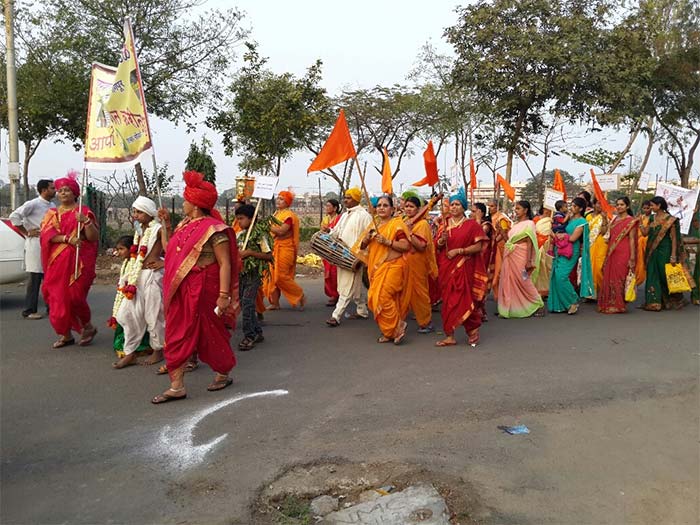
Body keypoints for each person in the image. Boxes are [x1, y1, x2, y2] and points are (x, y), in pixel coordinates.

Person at [152, 170, 239, 404]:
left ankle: (223, 370)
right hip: (182, 287)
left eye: (186, 200)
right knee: (177, 331)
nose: (183, 203)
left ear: (196, 204)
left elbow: (225, 263)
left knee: (210, 330)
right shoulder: (183, 225)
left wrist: (223, 295)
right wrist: (166, 224)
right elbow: (169, 249)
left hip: (205, 287)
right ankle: (177, 385)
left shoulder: (214, 229)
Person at [40, 170, 99, 348]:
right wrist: (67, 239)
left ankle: (87, 327)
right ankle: (65, 334)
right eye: (60, 190)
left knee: (74, 298)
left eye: (67, 189)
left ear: (75, 192)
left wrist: (86, 222)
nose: (63, 193)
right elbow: (47, 235)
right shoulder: (52, 214)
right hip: (57, 262)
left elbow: (93, 238)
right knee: (55, 298)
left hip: (78, 263)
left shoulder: (84, 211)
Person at [110, 197, 166, 369]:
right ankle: (130, 352)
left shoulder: (158, 229)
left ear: (150, 213)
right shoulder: (139, 231)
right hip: (136, 275)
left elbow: (171, 248)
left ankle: (158, 349)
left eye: (139, 212)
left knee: (153, 314)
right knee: (126, 314)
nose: (136, 215)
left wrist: (164, 262)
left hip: (152, 275)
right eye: (134, 212)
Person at [435, 189, 487, 347]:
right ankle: (449, 335)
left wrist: (460, 251)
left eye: (457, 204)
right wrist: (442, 241)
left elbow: (478, 246)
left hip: (465, 265)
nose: (453, 207)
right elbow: (437, 246)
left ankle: (473, 330)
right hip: (446, 266)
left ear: (463, 207)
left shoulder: (471, 225)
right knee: (448, 301)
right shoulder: (443, 225)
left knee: (464, 298)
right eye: (451, 204)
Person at [359, 195, 410, 344]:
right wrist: (367, 239)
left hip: (393, 265)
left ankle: (398, 326)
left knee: (382, 297)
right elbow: (361, 247)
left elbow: (406, 245)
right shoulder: (373, 226)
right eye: (379, 205)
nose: (381, 208)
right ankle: (390, 332)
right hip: (377, 269)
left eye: (385, 205)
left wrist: (387, 242)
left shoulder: (397, 225)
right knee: (374, 299)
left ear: (392, 209)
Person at [326, 188, 373, 327]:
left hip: (355, 257)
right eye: (345, 197)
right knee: (356, 285)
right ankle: (362, 310)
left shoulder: (364, 215)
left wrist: (363, 256)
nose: (345, 200)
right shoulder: (345, 215)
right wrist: (328, 233)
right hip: (342, 255)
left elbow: (369, 236)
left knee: (347, 285)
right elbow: (336, 232)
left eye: (349, 197)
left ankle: (336, 315)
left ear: (356, 199)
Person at [9, 179, 55, 319]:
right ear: (44, 190)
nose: (55, 190)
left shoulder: (52, 205)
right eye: (52, 188)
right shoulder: (33, 204)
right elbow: (14, 217)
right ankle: (29, 310)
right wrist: (27, 232)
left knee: (50, 278)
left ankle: (51, 308)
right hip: (35, 244)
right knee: (35, 278)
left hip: (49, 245)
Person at [235, 204, 272, 351]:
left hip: (253, 274)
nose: (239, 222)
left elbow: (268, 256)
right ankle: (257, 332)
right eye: (237, 219)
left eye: (242, 218)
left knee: (248, 304)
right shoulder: (240, 235)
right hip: (241, 274)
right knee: (245, 305)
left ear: (252, 219)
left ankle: (249, 336)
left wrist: (250, 253)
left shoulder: (259, 235)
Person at [497, 200, 544, 318]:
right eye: (515, 208)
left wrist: (528, 261)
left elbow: (530, 243)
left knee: (524, 279)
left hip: (522, 256)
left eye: (518, 208)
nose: (515, 211)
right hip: (511, 255)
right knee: (510, 280)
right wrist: (502, 231)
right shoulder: (515, 225)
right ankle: (510, 307)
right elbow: (509, 240)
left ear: (526, 210)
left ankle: (538, 305)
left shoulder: (530, 224)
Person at [548, 197, 594, 314]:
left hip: (571, 252)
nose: (571, 208)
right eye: (571, 205)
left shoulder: (582, 222)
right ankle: (561, 304)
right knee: (556, 276)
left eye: (574, 206)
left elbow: (573, 238)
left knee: (561, 277)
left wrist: (562, 236)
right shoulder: (569, 219)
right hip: (561, 249)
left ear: (581, 208)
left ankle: (573, 300)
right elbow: (561, 227)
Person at [110, 236, 152, 362]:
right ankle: (129, 347)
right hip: (125, 294)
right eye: (118, 249)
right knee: (123, 318)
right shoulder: (127, 261)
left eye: (122, 249)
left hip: (134, 294)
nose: (119, 252)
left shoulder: (136, 262)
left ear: (131, 249)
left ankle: (135, 348)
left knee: (127, 318)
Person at [640, 196, 684, 311]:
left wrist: (673, 255)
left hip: (665, 250)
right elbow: (645, 233)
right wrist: (640, 224)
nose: (650, 207)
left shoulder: (670, 219)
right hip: (652, 251)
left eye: (652, 205)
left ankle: (672, 299)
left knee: (664, 275)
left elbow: (674, 239)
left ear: (659, 206)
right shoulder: (651, 218)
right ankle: (654, 302)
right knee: (652, 273)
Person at [264, 190, 305, 310]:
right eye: (278, 198)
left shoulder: (289, 216)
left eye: (281, 199)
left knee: (280, 276)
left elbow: (282, 231)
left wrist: (267, 226)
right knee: (271, 276)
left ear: (287, 202)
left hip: (285, 249)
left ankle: (299, 294)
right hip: (273, 247)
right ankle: (275, 303)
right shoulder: (276, 214)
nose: (278, 200)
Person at [403, 196, 437, 333]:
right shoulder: (404, 221)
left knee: (420, 293)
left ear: (418, 209)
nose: (408, 209)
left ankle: (425, 322)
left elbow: (422, 246)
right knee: (403, 291)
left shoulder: (422, 224)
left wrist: (409, 233)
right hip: (404, 262)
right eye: (406, 206)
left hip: (417, 263)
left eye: (411, 207)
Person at [598, 197, 638, 314]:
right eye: (617, 204)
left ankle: (619, 304)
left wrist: (632, 257)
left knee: (620, 277)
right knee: (610, 276)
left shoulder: (631, 221)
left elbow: (631, 239)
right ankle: (610, 302)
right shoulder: (614, 220)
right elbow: (604, 233)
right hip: (612, 252)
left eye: (622, 205)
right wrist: (604, 219)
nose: (619, 207)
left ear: (627, 207)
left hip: (624, 251)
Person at [487, 198, 511, 304]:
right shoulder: (489, 218)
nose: (489, 208)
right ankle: (498, 298)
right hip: (492, 248)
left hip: (499, 248)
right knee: (492, 273)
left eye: (492, 206)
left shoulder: (501, 218)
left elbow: (503, 232)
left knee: (499, 273)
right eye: (489, 206)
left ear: (497, 207)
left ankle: (502, 299)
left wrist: (494, 242)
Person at [587, 198, 609, 298]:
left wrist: (604, 219)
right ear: (594, 205)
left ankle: (601, 292)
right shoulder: (588, 217)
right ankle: (590, 293)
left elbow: (604, 232)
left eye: (602, 204)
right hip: (590, 244)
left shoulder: (605, 216)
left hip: (601, 243)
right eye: (598, 204)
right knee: (589, 267)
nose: (600, 206)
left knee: (599, 267)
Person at [320, 198, 341, 306]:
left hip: (337, 250)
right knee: (328, 274)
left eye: (329, 206)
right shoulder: (325, 219)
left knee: (335, 273)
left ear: (335, 208)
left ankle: (337, 295)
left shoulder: (340, 219)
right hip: (327, 249)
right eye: (326, 206)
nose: (327, 208)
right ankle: (332, 294)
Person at [533, 207, 553, 303]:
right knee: (539, 267)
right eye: (545, 208)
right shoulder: (537, 219)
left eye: (549, 208)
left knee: (547, 267)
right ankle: (537, 291)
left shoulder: (553, 220)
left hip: (548, 245)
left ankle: (547, 291)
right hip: (538, 244)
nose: (547, 210)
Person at [635, 200, 652, 285]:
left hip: (646, 242)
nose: (646, 210)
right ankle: (638, 277)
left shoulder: (653, 218)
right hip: (638, 242)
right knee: (638, 261)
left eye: (648, 208)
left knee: (645, 261)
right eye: (644, 208)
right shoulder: (641, 217)